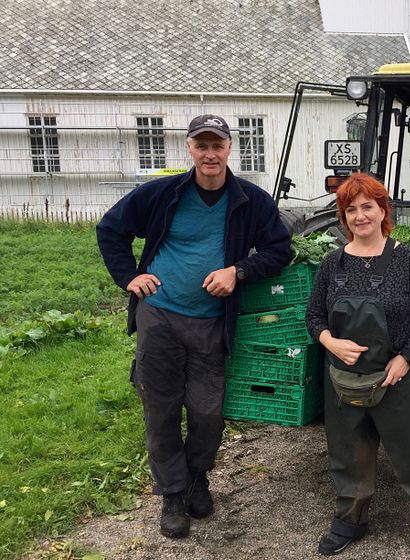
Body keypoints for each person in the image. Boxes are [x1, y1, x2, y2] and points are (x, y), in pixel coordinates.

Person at [96, 114, 292, 538]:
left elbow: (279, 250)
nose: (209, 154)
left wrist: (238, 271)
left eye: (217, 145)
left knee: (208, 410)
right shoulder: (162, 193)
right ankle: (172, 493)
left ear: (228, 149)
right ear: (189, 148)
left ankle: (198, 475)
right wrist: (128, 277)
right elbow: (110, 228)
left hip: (210, 322)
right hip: (160, 315)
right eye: (201, 145)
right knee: (161, 407)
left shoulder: (250, 201)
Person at [306, 173, 410, 560]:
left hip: (396, 378)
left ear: (384, 210)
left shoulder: (407, 261)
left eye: (367, 206)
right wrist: (329, 341)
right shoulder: (331, 263)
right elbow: (314, 315)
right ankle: (350, 519)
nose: (359, 216)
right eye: (350, 209)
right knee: (349, 455)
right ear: (343, 216)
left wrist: (405, 359)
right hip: (343, 380)